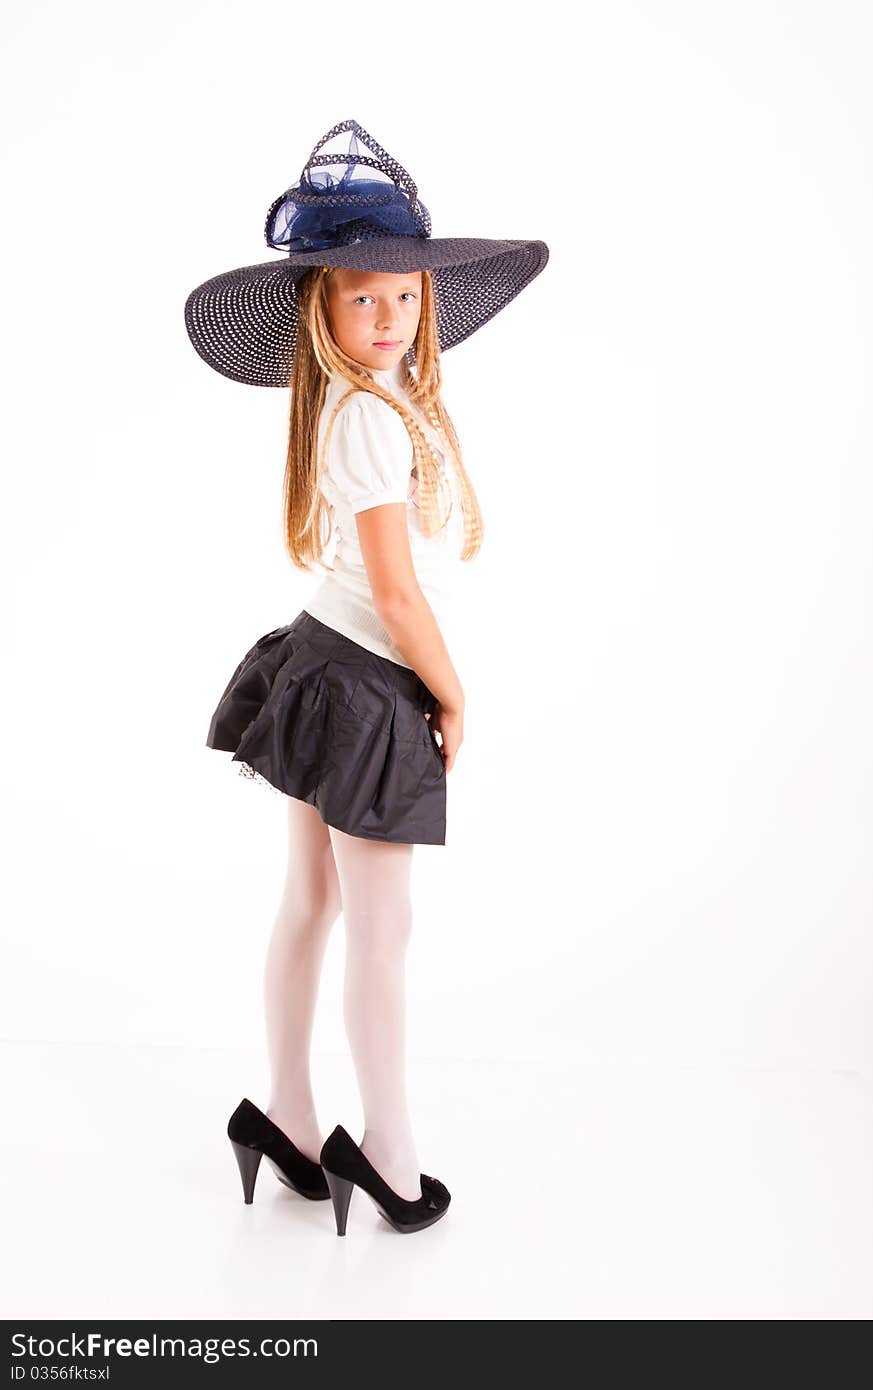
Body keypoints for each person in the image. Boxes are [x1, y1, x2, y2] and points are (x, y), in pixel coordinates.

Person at [184, 118, 549, 1235]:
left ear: (424, 300)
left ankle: (290, 1119)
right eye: (361, 299)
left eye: (402, 298)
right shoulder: (373, 425)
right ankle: (387, 1154)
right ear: (322, 306)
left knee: (312, 905)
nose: (386, 318)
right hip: (365, 681)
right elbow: (397, 593)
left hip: (316, 663)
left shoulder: (362, 410)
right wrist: (450, 691)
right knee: (377, 931)